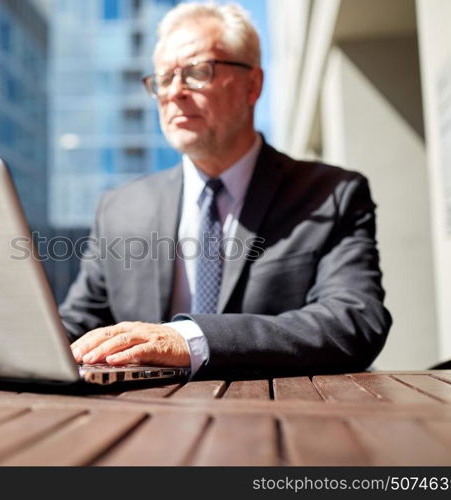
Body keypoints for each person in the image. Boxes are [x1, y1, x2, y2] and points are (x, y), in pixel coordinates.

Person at [60, 2, 391, 379]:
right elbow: (79, 322)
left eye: (197, 72)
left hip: (280, 419)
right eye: (164, 78)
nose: (175, 92)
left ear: (253, 85)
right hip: (146, 421)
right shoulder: (120, 208)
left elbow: (353, 321)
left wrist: (189, 340)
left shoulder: (332, 195)